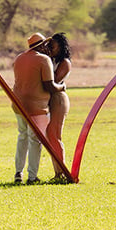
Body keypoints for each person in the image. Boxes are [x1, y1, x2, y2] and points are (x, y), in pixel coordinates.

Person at [12, 33, 66, 184]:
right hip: (36, 107)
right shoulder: (43, 60)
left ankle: (18, 173)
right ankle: (32, 177)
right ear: (41, 46)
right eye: (46, 45)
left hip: (17, 104)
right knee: (35, 140)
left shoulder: (19, 58)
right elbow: (49, 85)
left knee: (22, 137)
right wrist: (62, 87)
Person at [45, 32, 72, 183]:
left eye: (52, 46)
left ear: (61, 47)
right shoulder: (50, 60)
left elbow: (53, 81)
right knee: (50, 136)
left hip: (58, 99)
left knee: (54, 135)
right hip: (50, 99)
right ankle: (58, 172)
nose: (50, 49)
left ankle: (61, 173)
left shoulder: (64, 62)